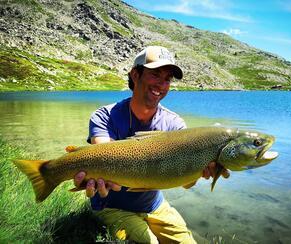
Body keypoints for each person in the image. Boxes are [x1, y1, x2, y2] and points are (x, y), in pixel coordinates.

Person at [74, 46, 229, 243]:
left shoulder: (174, 124)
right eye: (155, 74)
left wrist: (201, 169)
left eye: (167, 79)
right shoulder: (104, 116)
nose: (162, 85)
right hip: (111, 206)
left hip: (154, 205)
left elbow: (186, 183)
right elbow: (104, 156)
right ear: (135, 75)